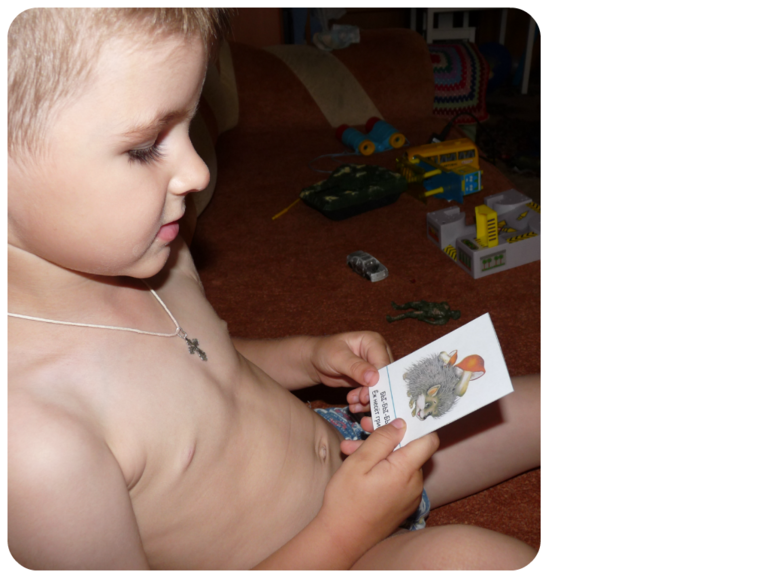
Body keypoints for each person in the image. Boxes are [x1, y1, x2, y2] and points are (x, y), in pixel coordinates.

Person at [7, 8, 541, 570]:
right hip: (313, 552)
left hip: (345, 444)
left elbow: (206, 359)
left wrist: (306, 358)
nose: (197, 172)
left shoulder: (154, 254)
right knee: (484, 559)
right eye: (145, 147)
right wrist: (348, 527)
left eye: (189, 125)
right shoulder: (39, 450)